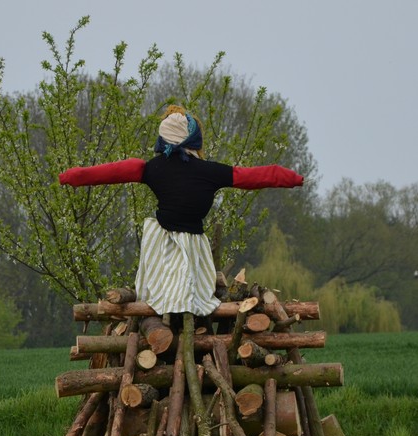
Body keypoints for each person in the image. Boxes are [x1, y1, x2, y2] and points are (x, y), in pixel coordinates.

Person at [59, 105, 304, 316]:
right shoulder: (210, 171)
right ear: (194, 138)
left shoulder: (150, 168)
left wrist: (71, 176)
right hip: (191, 243)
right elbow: (255, 176)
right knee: (191, 294)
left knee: (162, 292)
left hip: (160, 242)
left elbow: (107, 172)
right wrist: (292, 178)